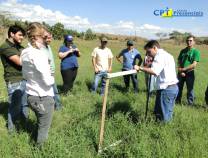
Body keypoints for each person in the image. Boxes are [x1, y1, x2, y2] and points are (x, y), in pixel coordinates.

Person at [20, 22, 55, 145]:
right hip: (43, 97)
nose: (46, 40)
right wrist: (51, 76)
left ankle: (33, 143)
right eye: (44, 37)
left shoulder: (24, 52)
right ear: (36, 37)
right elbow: (48, 80)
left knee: (40, 124)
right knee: (44, 128)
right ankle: (40, 151)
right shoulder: (39, 54)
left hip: (30, 95)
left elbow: (24, 75)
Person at [134, 40, 178, 122]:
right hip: (172, 88)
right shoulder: (167, 55)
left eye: (149, 51)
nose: (148, 54)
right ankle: (162, 127)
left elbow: (155, 71)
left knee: (163, 116)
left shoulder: (159, 56)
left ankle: (162, 131)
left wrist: (140, 68)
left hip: (166, 89)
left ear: (155, 48)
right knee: (166, 112)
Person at [0, 25, 28, 133]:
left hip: (25, 78)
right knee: (15, 107)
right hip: (14, 80)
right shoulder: (5, 47)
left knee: (25, 105)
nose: (22, 38)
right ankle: (12, 131)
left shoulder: (19, 47)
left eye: (23, 35)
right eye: (20, 35)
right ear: (12, 34)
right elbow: (20, 62)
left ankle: (24, 127)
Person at [176, 35, 200, 105]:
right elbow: (179, 61)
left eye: (190, 41)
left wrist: (184, 69)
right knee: (178, 88)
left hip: (190, 73)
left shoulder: (196, 52)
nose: (188, 42)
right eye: (187, 40)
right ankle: (177, 102)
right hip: (180, 73)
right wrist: (180, 70)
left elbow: (194, 64)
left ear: (194, 42)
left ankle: (190, 103)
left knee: (190, 89)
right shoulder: (183, 51)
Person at [43, 31, 62, 110]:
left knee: (54, 91)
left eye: (50, 38)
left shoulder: (48, 47)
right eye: (47, 38)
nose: (49, 40)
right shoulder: (41, 48)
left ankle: (57, 106)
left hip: (51, 73)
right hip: (46, 74)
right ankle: (55, 107)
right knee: (52, 91)